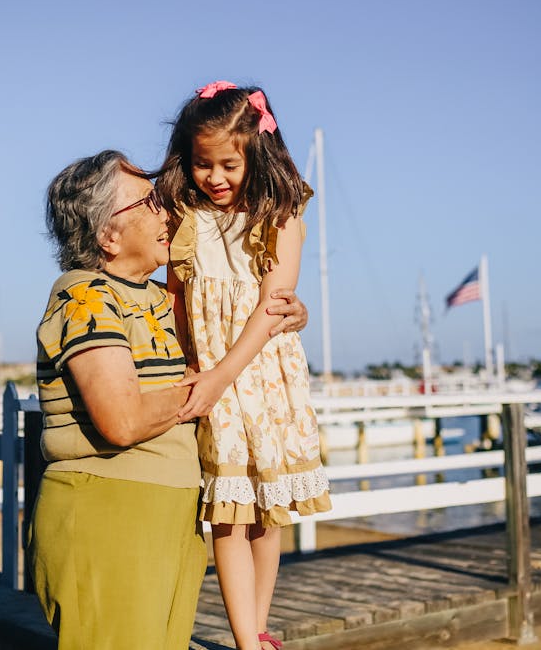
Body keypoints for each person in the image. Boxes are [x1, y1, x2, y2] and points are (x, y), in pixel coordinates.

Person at [29, 149, 309, 650]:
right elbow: (123, 419)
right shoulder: (87, 297)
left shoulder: (158, 299)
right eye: (151, 201)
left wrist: (284, 317)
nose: (169, 211)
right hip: (109, 515)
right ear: (106, 235)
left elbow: (232, 314)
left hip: (168, 518)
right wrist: (209, 385)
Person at [157, 81, 332, 650]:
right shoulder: (187, 217)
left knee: (266, 511)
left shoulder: (281, 215)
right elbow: (178, 299)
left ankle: (255, 629)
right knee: (228, 515)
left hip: (260, 376)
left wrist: (222, 373)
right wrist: (188, 366)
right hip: (209, 376)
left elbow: (274, 305)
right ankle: (245, 640)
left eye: (228, 164)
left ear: (256, 154)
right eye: (203, 164)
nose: (215, 177)